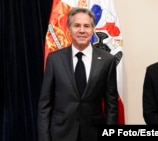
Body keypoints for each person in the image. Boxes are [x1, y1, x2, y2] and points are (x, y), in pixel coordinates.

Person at [37, 8, 118, 141]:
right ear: (69, 28)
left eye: (86, 26)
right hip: (61, 134)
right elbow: (45, 105)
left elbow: (111, 106)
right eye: (77, 25)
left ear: (93, 29)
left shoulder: (107, 60)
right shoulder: (54, 59)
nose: (82, 30)